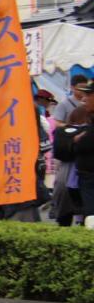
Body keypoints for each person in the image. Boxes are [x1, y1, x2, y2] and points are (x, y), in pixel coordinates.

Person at [68, 83, 94, 214]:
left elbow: (85, 144)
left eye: (88, 95)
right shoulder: (90, 119)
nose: (84, 99)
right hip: (86, 176)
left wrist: (78, 140)